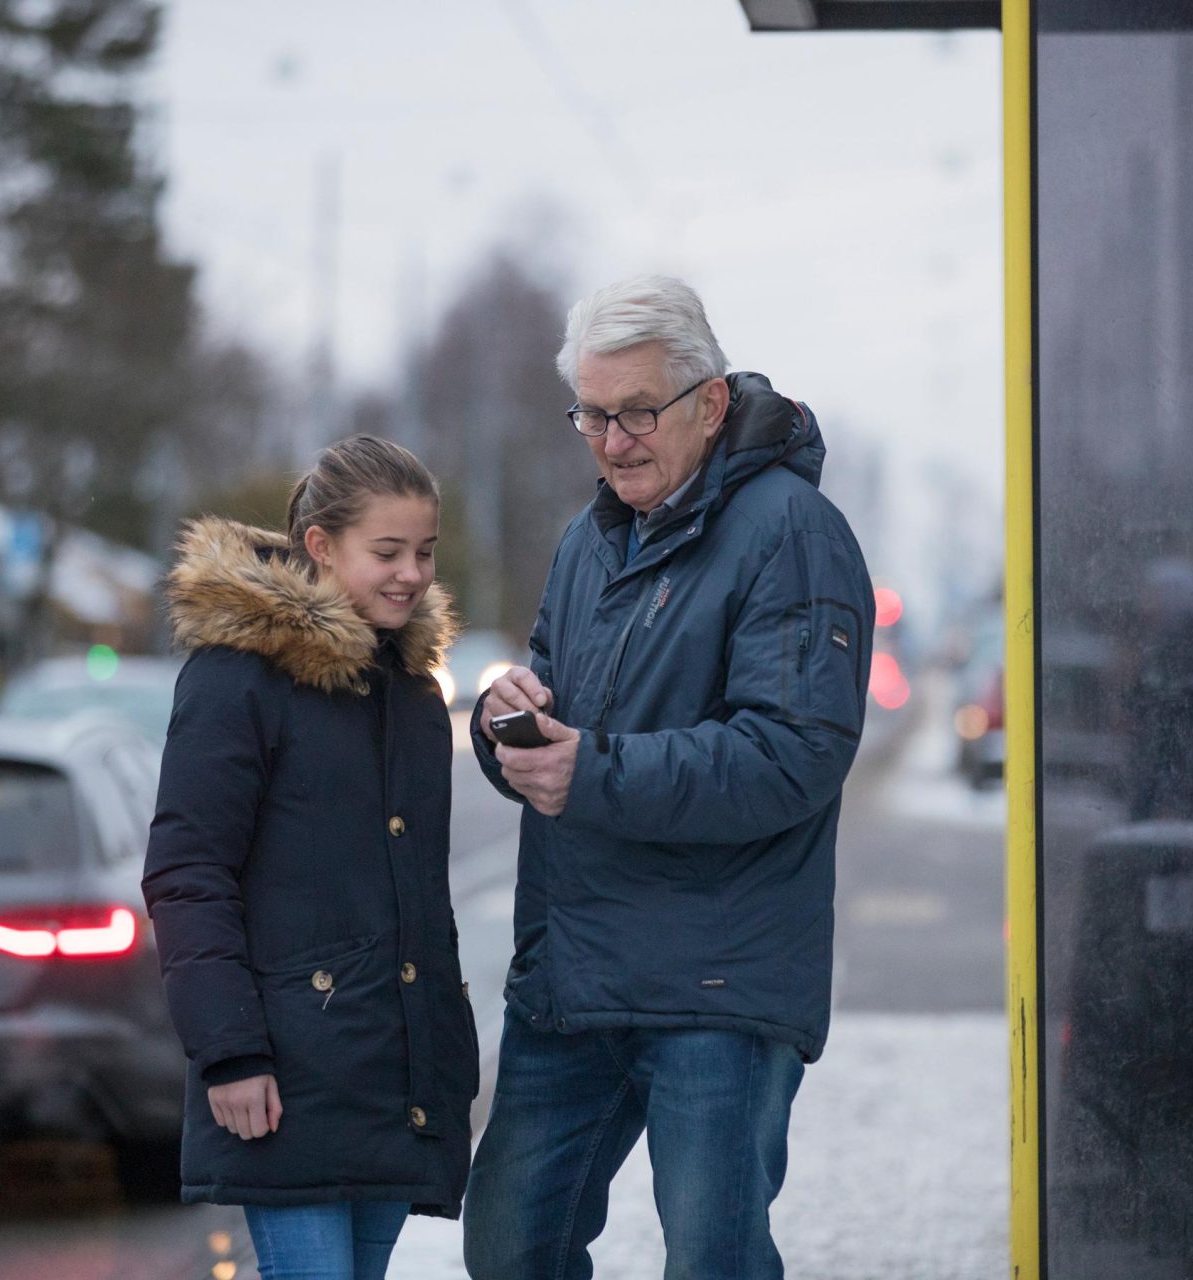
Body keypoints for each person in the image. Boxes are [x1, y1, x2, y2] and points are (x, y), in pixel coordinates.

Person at [462, 276, 875, 1280]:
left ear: (711, 402)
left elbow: (792, 755)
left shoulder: (792, 532)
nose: (612, 441)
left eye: (637, 412)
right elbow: (558, 717)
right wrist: (501, 723)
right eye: (592, 415)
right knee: (510, 1247)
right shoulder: (587, 540)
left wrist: (592, 772)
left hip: (718, 984)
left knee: (714, 1262)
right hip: (575, 976)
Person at [142, 437, 478, 1280]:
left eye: (425, 552)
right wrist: (231, 1052)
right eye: (388, 552)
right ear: (321, 547)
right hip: (284, 1073)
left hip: (390, 1075)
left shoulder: (409, 690)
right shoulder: (236, 678)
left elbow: (416, 897)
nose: (411, 573)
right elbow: (188, 873)